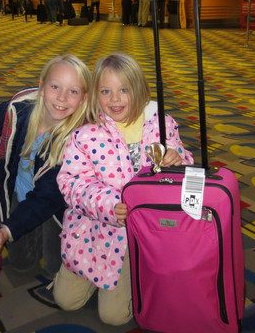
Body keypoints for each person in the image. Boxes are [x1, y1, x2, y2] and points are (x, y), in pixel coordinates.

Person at [53, 52, 193, 325]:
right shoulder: (86, 134)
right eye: (106, 91)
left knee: (113, 317)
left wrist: (178, 160)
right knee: (66, 301)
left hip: (141, 234)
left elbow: (185, 166)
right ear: (95, 94)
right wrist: (107, 205)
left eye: (123, 90)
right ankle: (89, 273)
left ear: (138, 90)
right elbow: (71, 182)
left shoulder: (162, 125)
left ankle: (139, 277)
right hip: (93, 232)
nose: (115, 99)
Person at [0, 55, 90, 276]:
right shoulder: (16, 109)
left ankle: (51, 233)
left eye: (73, 91)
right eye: (55, 87)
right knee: (21, 264)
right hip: (18, 192)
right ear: (41, 87)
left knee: (53, 270)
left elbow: (47, 197)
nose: (62, 97)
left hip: (56, 206)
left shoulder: (80, 140)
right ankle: (25, 228)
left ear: (84, 99)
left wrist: (7, 231)